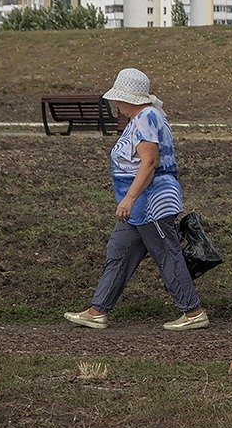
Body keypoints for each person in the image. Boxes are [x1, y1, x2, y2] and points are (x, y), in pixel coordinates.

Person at [63, 68, 209, 331]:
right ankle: (97, 310)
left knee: (167, 254)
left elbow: (150, 161)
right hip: (138, 207)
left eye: (118, 98)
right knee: (118, 252)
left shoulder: (146, 117)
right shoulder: (145, 117)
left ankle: (193, 312)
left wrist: (129, 198)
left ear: (129, 98)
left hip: (151, 202)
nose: (115, 103)